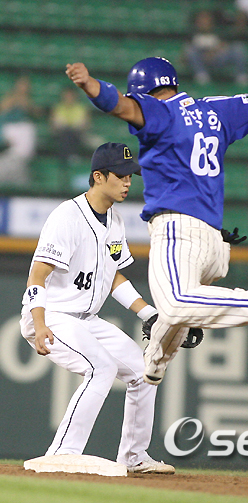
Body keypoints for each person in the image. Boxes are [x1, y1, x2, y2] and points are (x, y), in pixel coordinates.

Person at [65, 42, 248, 386]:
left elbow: (119, 105)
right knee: (169, 327)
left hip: (177, 231)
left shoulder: (159, 111)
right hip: (214, 244)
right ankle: (153, 364)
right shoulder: (216, 110)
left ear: (145, 92)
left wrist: (89, 85)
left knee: (174, 304)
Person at [20, 142, 175, 474]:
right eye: (120, 175)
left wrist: (147, 313)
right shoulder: (67, 216)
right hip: (53, 315)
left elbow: (112, 275)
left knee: (143, 371)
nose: (127, 182)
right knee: (101, 368)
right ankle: (62, 454)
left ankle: (134, 456)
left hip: (87, 319)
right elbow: (37, 273)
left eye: (130, 176)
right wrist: (39, 323)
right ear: (98, 177)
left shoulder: (115, 220)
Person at [184, 9, 248, 86]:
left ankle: (241, 75)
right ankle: (201, 75)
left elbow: (225, 45)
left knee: (238, 47)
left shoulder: (218, 32)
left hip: (218, 58)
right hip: (202, 60)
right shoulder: (193, 35)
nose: (204, 22)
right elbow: (187, 51)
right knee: (191, 51)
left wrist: (213, 52)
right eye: (201, 21)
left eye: (206, 20)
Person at [0, 76, 39, 186]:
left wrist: (25, 103)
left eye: (25, 86)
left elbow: (37, 113)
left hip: (22, 133)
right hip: (9, 129)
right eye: (21, 85)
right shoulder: (10, 97)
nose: (23, 88)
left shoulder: (29, 100)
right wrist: (15, 99)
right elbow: (2, 108)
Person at [50, 86, 92, 164]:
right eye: (66, 95)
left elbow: (84, 124)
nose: (68, 98)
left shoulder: (81, 108)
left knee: (70, 133)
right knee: (66, 133)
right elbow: (55, 124)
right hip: (61, 133)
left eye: (70, 96)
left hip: (78, 134)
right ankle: (70, 157)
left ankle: (68, 157)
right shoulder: (58, 108)